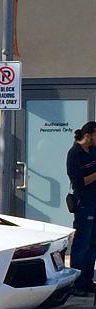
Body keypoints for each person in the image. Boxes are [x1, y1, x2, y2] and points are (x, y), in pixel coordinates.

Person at [66, 121, 96, 296]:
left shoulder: (92, 151)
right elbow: (79, 182)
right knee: (82, 244)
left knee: (93, 244)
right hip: (84, 204)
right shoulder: (74, 154)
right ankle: (76, 284)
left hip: (94, 202)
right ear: (89, 135)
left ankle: (87, 280)